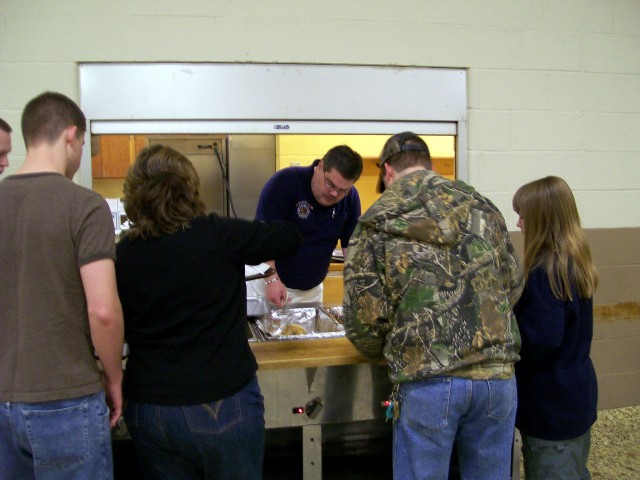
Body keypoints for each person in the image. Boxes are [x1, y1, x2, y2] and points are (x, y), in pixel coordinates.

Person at [342, 131, 524, 480]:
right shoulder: (481, 207)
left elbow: (362, 320)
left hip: (427, 381)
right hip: (497, 378)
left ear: (388, 172)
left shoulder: (376, 220)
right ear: (426, 165)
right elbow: (512, 285)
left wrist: (391, 350)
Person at [115, 145, 301, 480]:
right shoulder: (219, 233)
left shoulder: (123, 253)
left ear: (135, 193)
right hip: (220, 402)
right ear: (190, 188)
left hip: (150, 406)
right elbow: (286, 238)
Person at [0, 92, 124, 479]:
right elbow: (102, 311)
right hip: (65, 400)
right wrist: (114, 377)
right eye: (84, 145)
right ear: (71, 135)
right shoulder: (84, 206)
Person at [512, 176, 599, 480]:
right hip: (574, 394)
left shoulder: (545, 272)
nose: (520, 224)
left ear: (542, 219)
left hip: (552, 404)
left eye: (523, 215)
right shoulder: (573, 261)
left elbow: (540, 340)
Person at [250, 144, 363, 306]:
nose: (334, 193)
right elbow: (262, 239)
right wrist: (271, 279)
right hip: (269, 284)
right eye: (330, 184)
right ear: (320, 166)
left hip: (312, 291)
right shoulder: (284, 183)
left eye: (342, 190)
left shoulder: (350, 198)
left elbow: (352, 247)